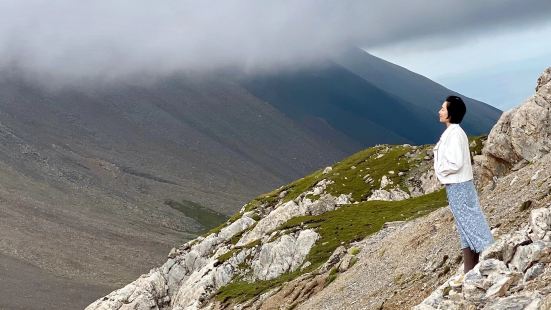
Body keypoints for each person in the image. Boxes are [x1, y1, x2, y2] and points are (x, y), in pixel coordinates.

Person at [433, 95, 494, 284]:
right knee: (464, 224)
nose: (440, 111)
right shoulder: (454, 132)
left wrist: (441, 170)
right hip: (458, 183)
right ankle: (470, 267)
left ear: (451, 113)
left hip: (458, 183)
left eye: (443, 108)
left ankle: (490, 254)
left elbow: (456, 162)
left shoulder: (455, 134)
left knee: (470, 220)